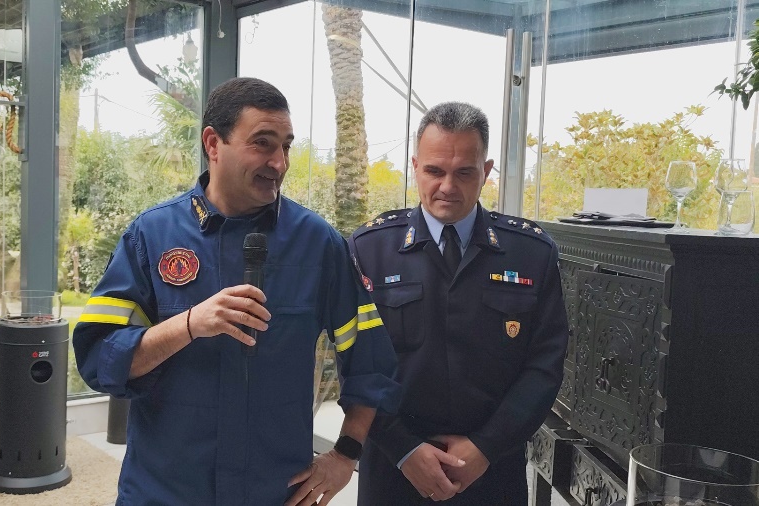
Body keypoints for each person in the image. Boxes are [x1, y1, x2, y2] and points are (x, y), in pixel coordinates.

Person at [72, 77, 401, 506]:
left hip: (275, 492)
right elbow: (100, 358)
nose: (279, 162)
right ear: (213, 143)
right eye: (262, 143)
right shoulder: (150, 236)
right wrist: (189, 324)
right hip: (164, 492)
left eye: (286, 146)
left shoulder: (319, 244)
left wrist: (345, 455)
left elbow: (371, 363)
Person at [349, 101, 568, 505]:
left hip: (492, 470)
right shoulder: (370, 249)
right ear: (415, 167)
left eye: (464, 172)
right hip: (394, 470)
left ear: (486, 171)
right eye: (435, 171)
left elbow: (545, 364)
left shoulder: (530, 252)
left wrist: (485, 446)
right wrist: (404, 449)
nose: (448, 186)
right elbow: (355, 363)